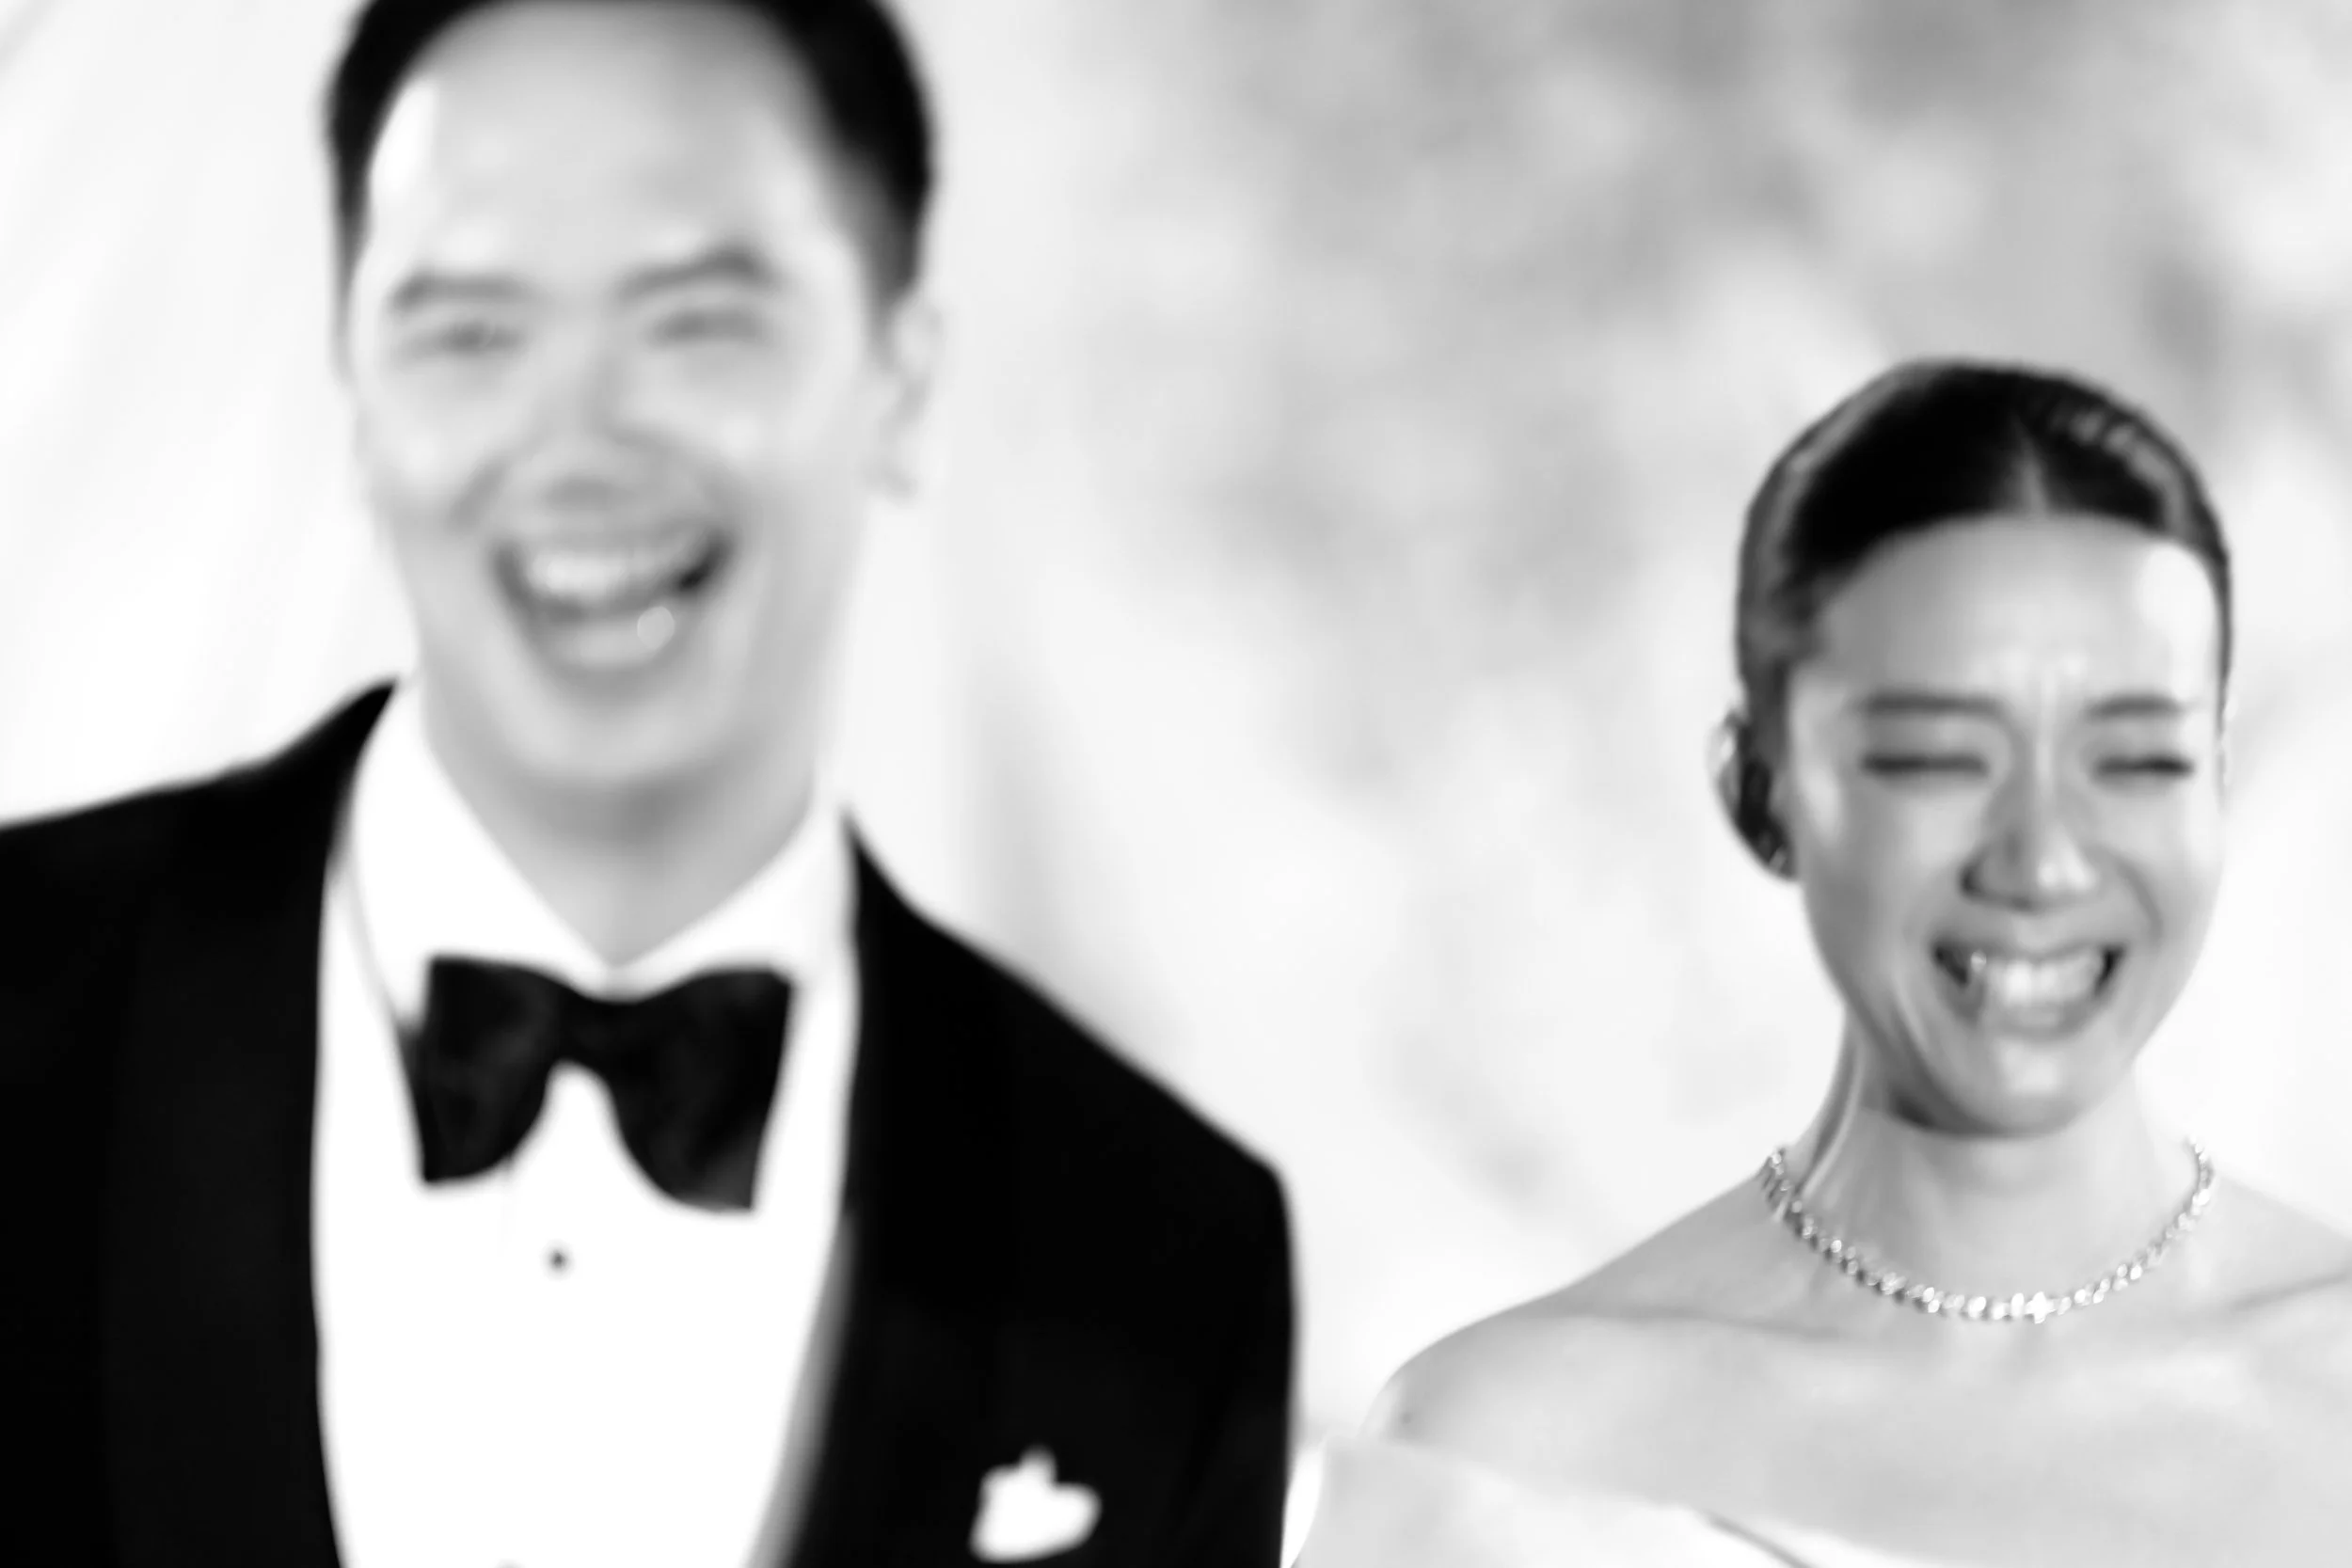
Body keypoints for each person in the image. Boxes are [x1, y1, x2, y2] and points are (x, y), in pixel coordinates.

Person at [0, 2, 1294, 1563]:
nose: (580, 445)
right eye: (471, 332)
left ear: (900, 377)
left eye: (695, 323)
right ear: (353, 389)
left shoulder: (1166, 1254)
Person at [1297, 359, 2352, 1566]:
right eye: (1936, 759)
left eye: (2136, 761)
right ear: (1761, 791)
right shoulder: (1503, 1447)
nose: (2044, 861)